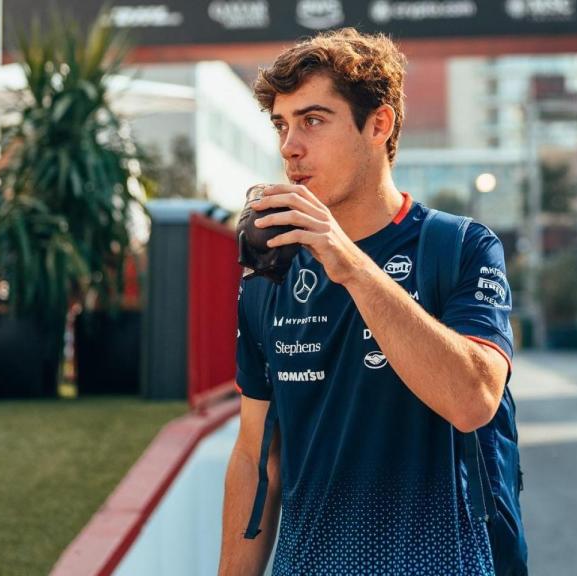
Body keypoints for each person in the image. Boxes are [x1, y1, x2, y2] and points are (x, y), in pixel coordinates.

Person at [219, 29, 517, 575]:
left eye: (312, 120)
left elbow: (473, 399)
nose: (290, 146)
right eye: (281, 125)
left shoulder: (461, 247)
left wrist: (352, 264)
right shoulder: (270, 272)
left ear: (378, 125)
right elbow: (256, 458)